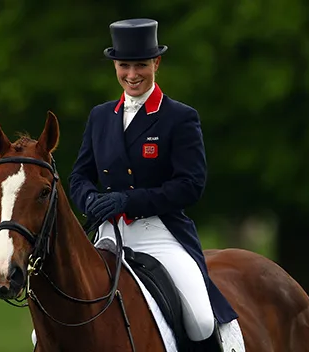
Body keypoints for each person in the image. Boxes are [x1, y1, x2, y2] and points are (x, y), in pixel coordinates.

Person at [69, 18, 243, 351]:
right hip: (108, 236)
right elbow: (79, 176)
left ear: (156, 63)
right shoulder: (100, 116)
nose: (132, 75)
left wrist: (128, 201)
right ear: (115, 67)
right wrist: (90, 200)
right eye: (124, 66)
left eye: (140, 65)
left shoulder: (179, 117)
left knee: (202, 319)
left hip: (159, 233)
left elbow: (191, 185)